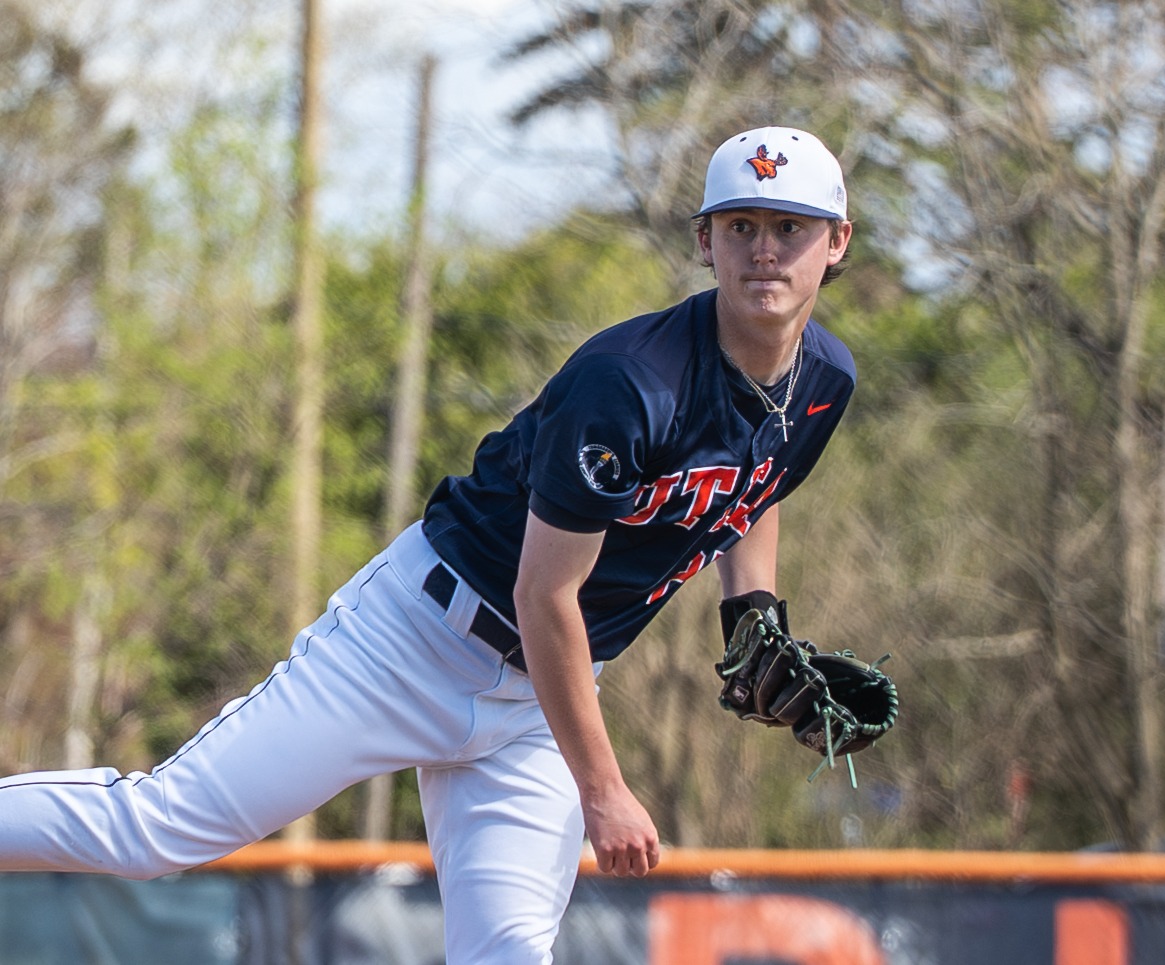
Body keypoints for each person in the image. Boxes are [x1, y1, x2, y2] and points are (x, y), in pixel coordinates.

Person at [0, 125, 856, 962]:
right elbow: (544, 594)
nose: (765, 251)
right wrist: (601, 787)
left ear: (836, 243)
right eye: (741, 225)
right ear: (704, 242)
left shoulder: (825, 379)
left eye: (790, 227)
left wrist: (752, 611)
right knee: (159, 828)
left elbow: (757, 478)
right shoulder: (631, 382)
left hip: (541, 702)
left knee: (511, 951)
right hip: (412, 643)